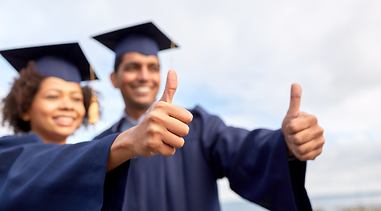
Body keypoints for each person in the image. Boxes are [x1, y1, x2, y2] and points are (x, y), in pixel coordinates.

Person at [92, 22, 325, 211]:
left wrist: (284, 144)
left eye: (152, 68)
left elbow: (242, 148)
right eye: (133, 67)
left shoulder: (196, 126)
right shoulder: (100, 148)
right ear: (114, 78)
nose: (144, 76)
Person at [0, 42, 192, 211]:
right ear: (25, 108)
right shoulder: (7, 156)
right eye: (53, 96)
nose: (68, 105)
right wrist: (129, 140)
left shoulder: (91, 160)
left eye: (76, 98)